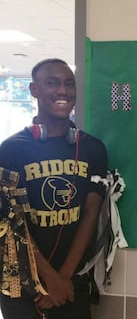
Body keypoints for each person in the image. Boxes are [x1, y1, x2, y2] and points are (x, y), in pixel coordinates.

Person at [0, 58, 108, 319]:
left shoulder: (92, 148)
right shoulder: (11, 150)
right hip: (23, 284)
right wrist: (49, 280)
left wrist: (63, 278)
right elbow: (13, 222)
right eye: (52, 83)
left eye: (69, 84)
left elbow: (91, 213)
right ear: (34, 90)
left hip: (72, 282)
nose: (63, 91)